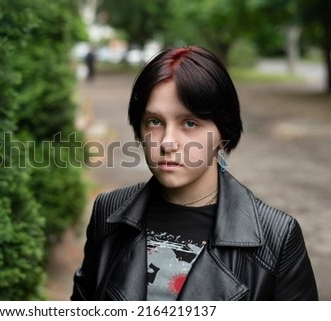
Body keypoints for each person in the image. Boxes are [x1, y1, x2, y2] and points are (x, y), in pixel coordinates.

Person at [71, 46, 318, 300]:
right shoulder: (109, 213)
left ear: (222, 134)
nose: (167, 143)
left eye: (190, 123)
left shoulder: (276, 238)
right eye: (154, 122)